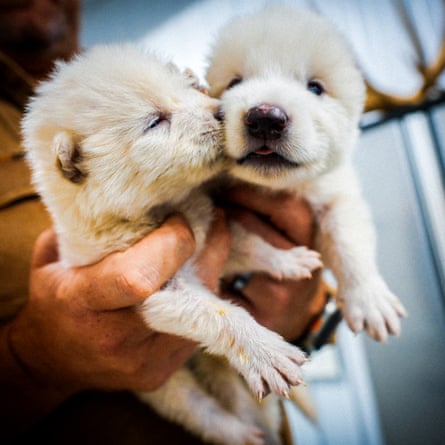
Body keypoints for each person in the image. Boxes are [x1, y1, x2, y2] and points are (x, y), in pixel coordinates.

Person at [0, 1, 328, 443]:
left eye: (189, 90)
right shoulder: (78, 141)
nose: (212, 108)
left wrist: (306, 313)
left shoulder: (131, 69)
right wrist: (31, 363)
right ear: (75, 163)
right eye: (156, 121)